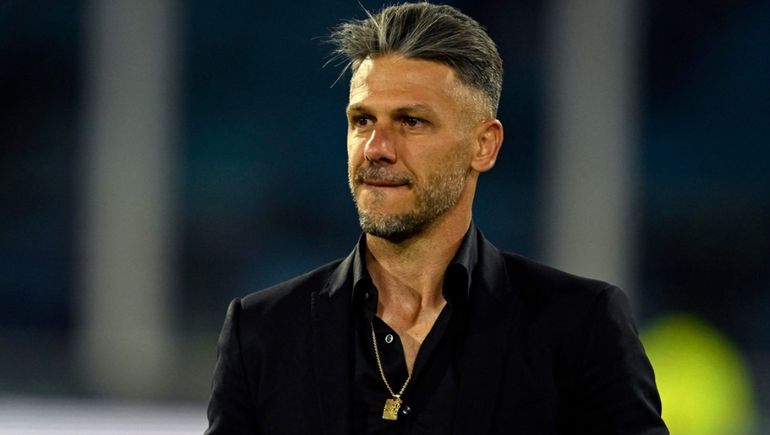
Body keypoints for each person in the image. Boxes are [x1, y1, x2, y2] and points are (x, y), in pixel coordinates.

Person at [205, 3, 667, 434]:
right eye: (362, 121)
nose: (376, 148)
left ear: (483, 145)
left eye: (411, 122)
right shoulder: (262, 332)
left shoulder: (579, 326)